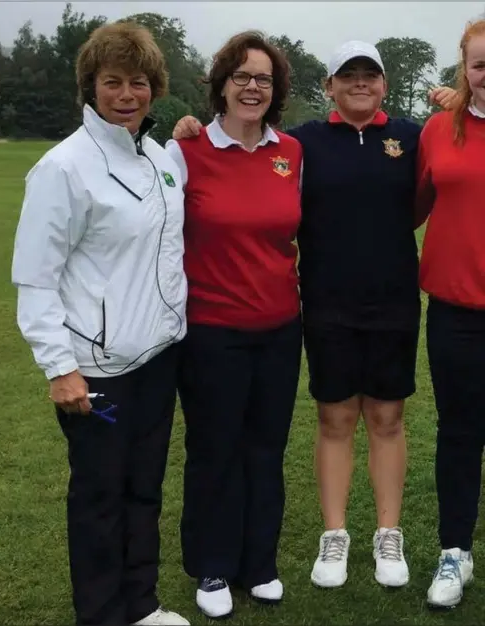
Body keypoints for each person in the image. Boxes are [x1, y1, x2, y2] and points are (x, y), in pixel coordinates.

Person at [171, 41, 457, 592]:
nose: (359, 82)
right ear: (327, 86)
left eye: (369, 75)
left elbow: (443, 173)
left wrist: (456, 99)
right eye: (346, 75)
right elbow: (243, 141)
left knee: (388, 419)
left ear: (384, 84)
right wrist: (193, 124)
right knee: (335, 420)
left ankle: (387, 533)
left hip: (394, 301)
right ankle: (335, 535)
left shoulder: (413, 135)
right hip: (324, 303)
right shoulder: (302, 144)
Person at [11, 22, 189, 626]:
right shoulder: (63, 168)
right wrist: (60, 368)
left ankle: (140, 605)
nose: (126, 94)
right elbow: (36, 278)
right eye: (112, 82)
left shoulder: (161, 158)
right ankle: (102, 614)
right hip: (96, 369)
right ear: (91, 85)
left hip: (158, 358)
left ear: (154, 87)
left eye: (138, 82)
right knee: (99, 499)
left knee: (144, 493)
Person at [164, 31, 303, 619]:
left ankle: (258, 562)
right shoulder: (187, 150)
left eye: (264, 79)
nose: (252, 87)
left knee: (266, 448)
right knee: (215, 448)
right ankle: (213, 565)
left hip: (279, 328)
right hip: (212, 330)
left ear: (276, 91)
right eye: (242, 76)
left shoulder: (291, 152)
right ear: (221, 84)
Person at [415, 18, 485, 610]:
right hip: (456, 312)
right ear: (465, 68)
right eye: (480, 64)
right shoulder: (438, 130)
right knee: (460, 433)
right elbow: (408, 205)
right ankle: (454, 551)